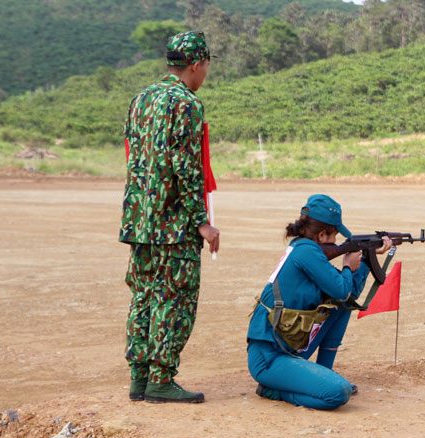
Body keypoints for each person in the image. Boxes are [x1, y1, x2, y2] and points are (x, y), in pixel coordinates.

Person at [120, 31, 219, 404]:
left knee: (143, 297)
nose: (205, 73)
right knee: (175, 300)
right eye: (206, 66)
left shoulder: (140, 99)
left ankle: (139, 378)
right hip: (173, 225)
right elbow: (186, 167)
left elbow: (134, 158)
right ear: (196, 64)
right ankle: (161, 380)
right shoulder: (186, 103)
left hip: (140, 222)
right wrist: (201, 221)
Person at [246, 194, 392, 410]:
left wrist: (368, 260)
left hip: (287, 348)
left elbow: (347, 296)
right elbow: (342, 289)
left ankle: (324, 372)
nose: (337, 242)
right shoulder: (307, 252)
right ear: (322, 234)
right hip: (269, 357)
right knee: (336, 393)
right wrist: (346, 266)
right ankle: (274, 390)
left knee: (341, 308)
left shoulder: (307, 249)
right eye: (334, 236)